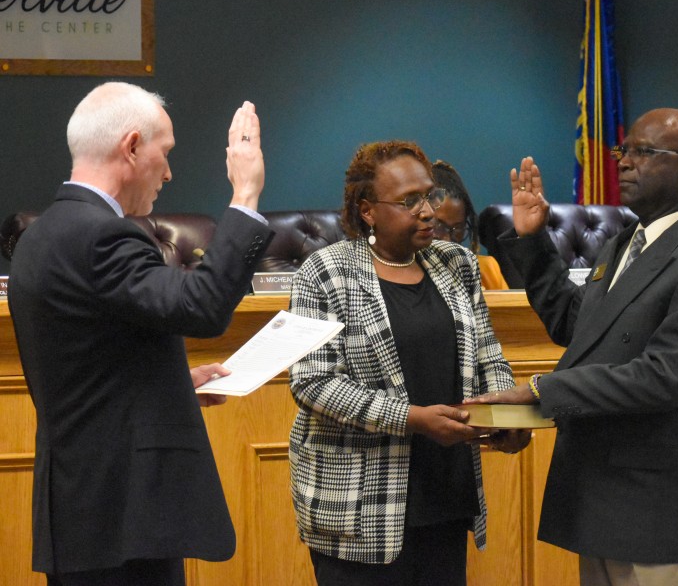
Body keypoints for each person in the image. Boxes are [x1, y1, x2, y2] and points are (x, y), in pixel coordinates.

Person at [8, 82, 274, 586]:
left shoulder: (40, 234)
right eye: (165, 152)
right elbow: (202, 308)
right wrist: (245, 195)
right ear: (131, 146)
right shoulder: (101, 234)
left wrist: (169, 385)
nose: (169, 173)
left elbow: (81, 366)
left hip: (83, 511)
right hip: (123, 515)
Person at [469, 109, 678, 585]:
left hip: (662, 512)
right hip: (602, 503)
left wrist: (540, 391)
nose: (624, 162)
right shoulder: (622, 245)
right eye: (624, 150)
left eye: (644, 152)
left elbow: (663, 378)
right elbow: (575, 326)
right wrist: (534, 241)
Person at [287, 140, 529, 585]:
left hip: (445, 492)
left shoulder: (456, 263)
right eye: (409, 201)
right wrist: (412, 418)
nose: (428, 211)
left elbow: (486, 352)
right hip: (359, 506)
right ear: (367, 210)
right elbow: (313, 383)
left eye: (429, 196)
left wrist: (507, 415)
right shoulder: (325, 272)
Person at [431, 160, 509, 289]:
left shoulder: (485, 270)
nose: (448, 240)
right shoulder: (405, 274)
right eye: (439, 226)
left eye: (457, 229)